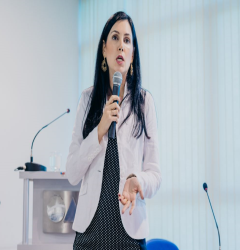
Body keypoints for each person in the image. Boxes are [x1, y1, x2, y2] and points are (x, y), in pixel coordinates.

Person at [66, 11, 161, 250]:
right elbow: (72, 173)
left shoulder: (144, 102)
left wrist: (136, 179)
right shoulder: (87, 100)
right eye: (115, 38)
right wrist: (100, 129)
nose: (121, 46)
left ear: (132, 53)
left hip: (128, 230)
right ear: (104, 48)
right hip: (89, 230)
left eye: (127, 40)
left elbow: (155, 175)